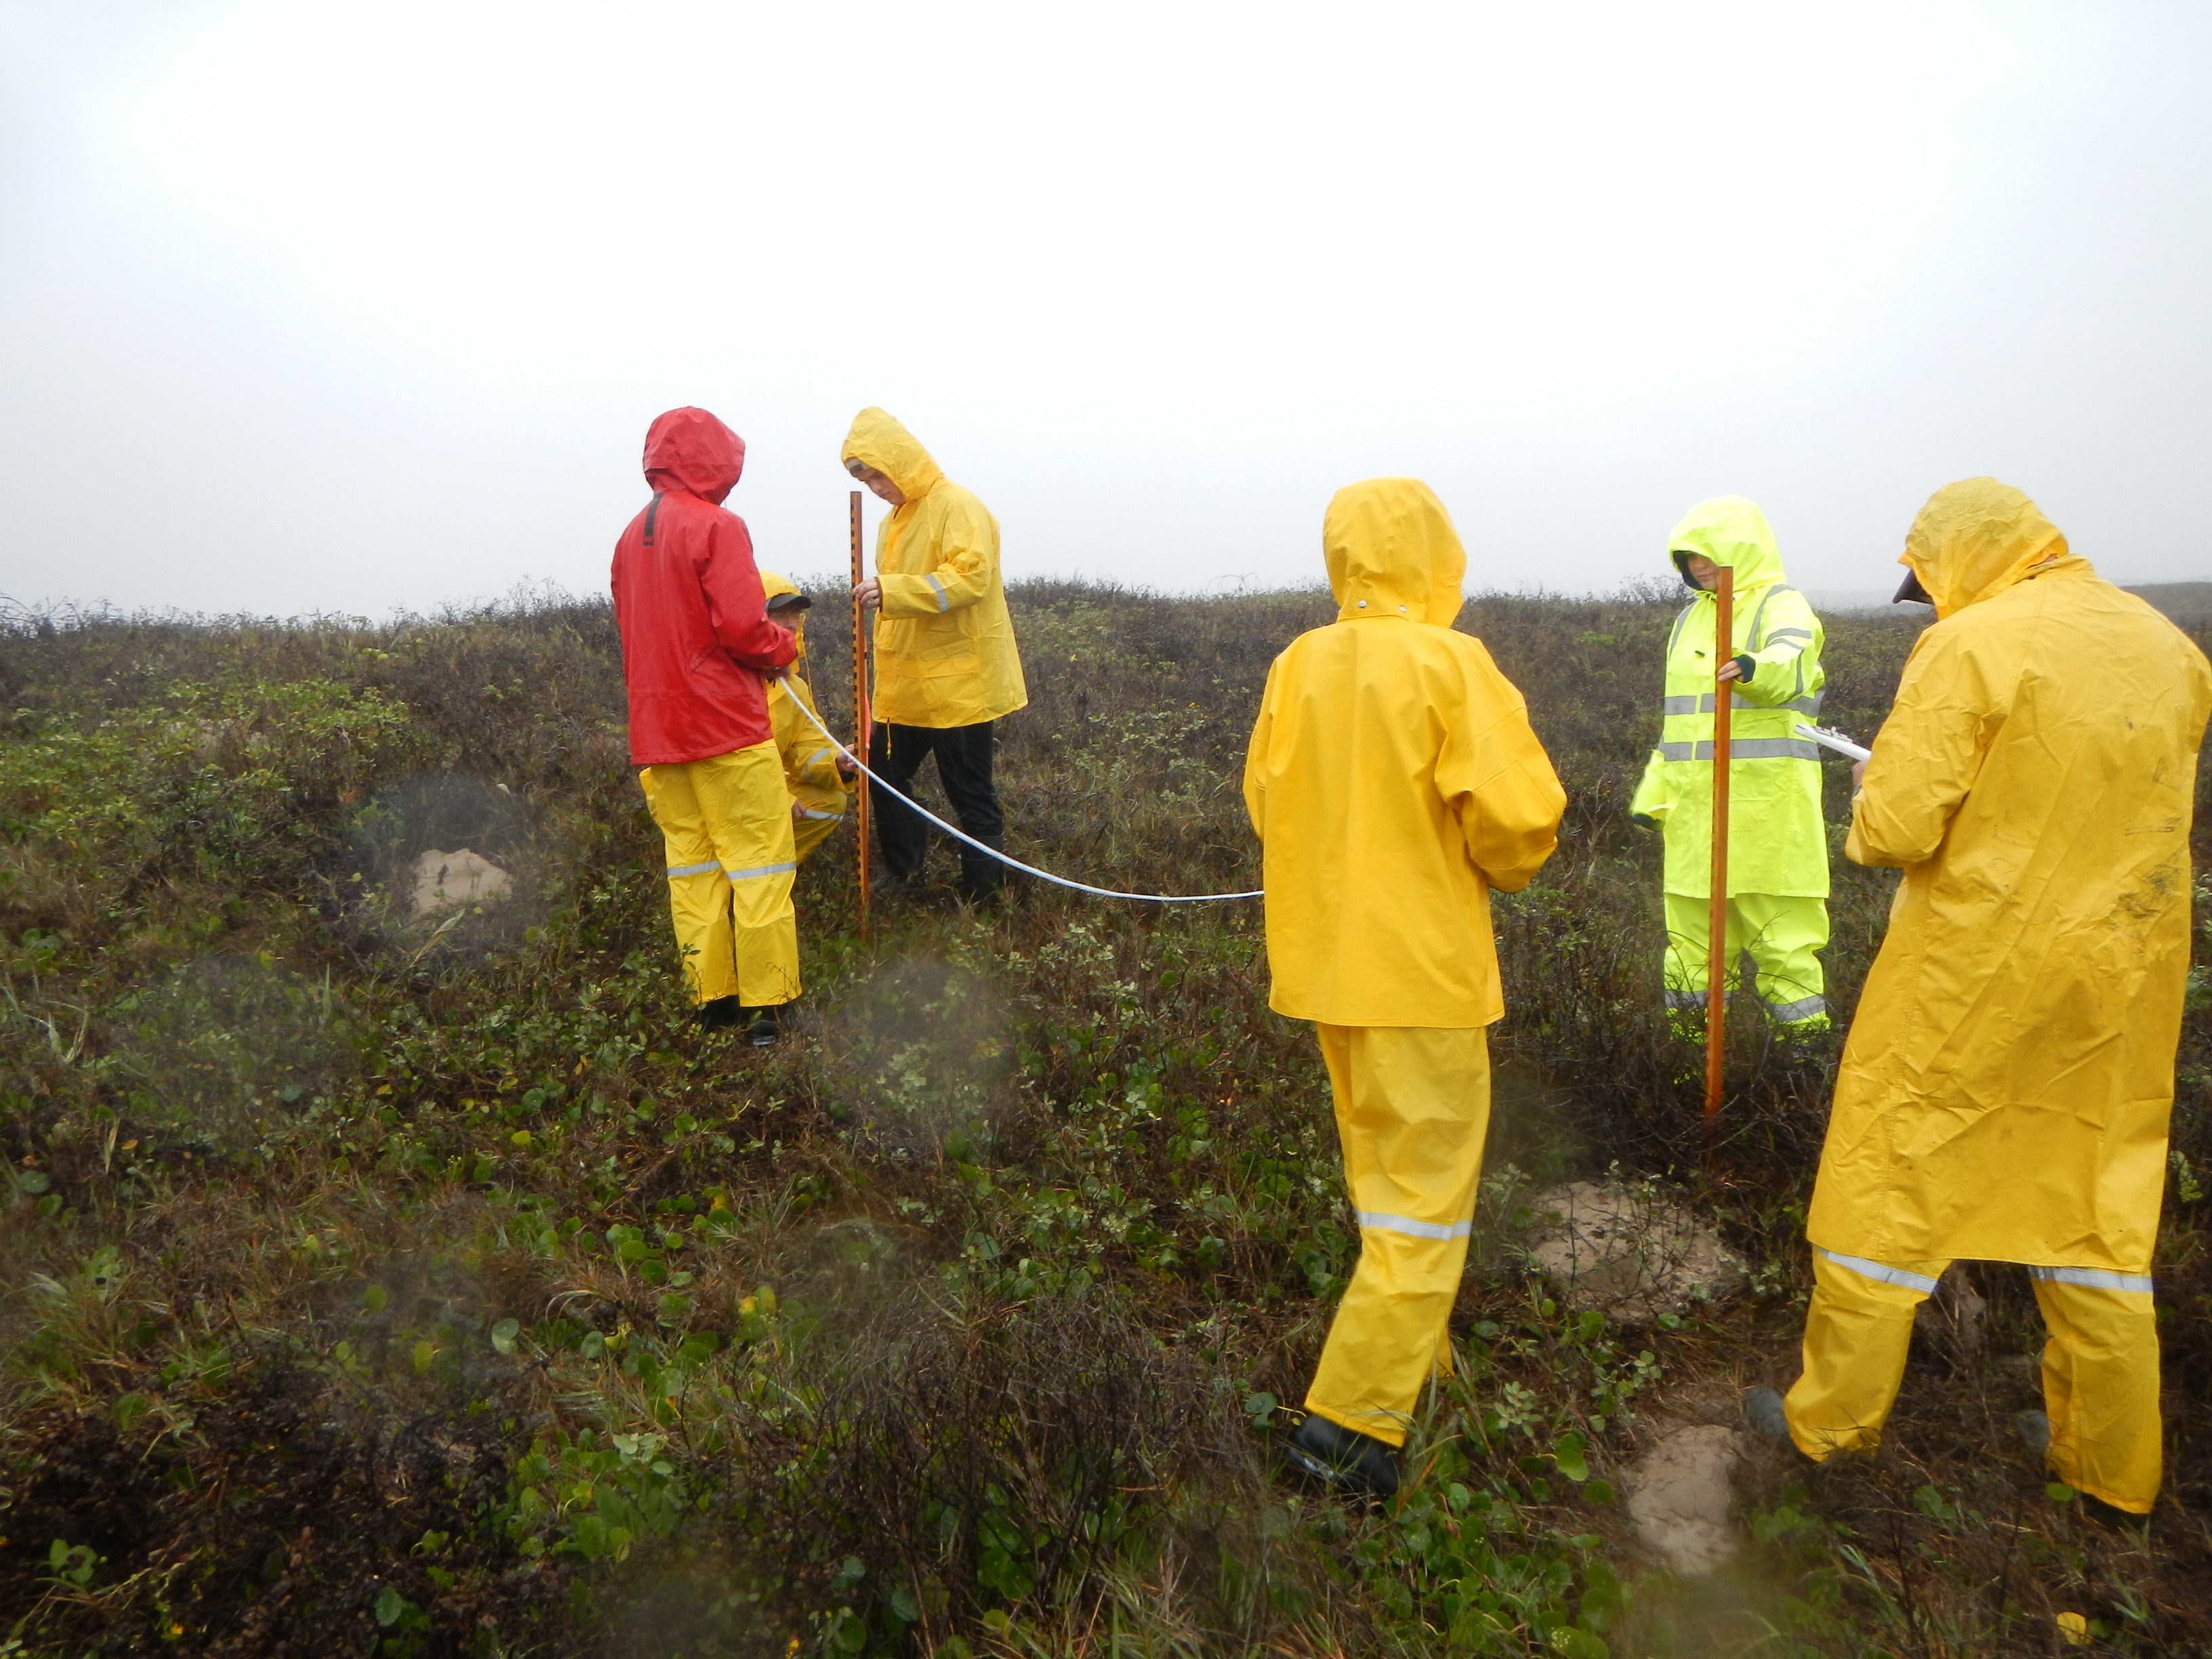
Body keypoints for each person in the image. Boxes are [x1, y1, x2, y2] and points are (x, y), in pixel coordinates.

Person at [1744, 478, 2212, 1521]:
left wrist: (1870, 799)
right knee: (2096, 1213)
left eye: (1926, 582)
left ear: (1953, 558)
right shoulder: (2171, 647)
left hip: (1974, 975)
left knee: (1885, 1189)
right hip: (2122, 983)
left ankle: (1829, 1432)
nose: (1926, 602)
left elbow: (1899, 831)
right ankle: (2109, 1472)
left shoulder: (1972, 645)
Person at [1244, 478, 1565, 1498]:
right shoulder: (1451, 663)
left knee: (1384, 1184)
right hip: (1422, 977)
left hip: (1325, 971)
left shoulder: (1297, 663)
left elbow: (1265, 799)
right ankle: (1347, 1432)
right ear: (1436, 552)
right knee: (1425, 1208)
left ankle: (1416, 1356)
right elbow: (1517, 826)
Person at [610, 407, 802, 1048]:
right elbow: (746, 629)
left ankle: (710, 1002)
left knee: (691, 874)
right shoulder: (719, 526)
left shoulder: (626, 539)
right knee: (759, 869)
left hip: (658, 739)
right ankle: (769, 1010)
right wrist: (783, 650)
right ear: (715, 460)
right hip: (726, 731)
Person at [1628, 497, 1830, 1033]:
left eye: (1708, 553)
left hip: (1770, 823)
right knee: (1691, 957)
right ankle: (1685, 1074)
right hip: (1695, 824)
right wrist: (1653, 796)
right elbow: (1679, 726)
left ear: (1742, 550)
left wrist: (1753, 667)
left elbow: (1793, 665)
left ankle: (1800, 1076)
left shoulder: (1781, 604)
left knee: (1786, 953)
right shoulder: (1688, 622)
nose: (1698, 565)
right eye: (1689, 556)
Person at [842, 408, 1027, 901]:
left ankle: (983, 901)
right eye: (867, 479)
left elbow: (969, 579)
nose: (877, 486)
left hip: (960, 685)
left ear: (900, 461)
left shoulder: (957, 505)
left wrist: (893, 591)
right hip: (905, 687)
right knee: (885, 775)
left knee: (970, 795)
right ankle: (903, 873)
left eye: (879, 474)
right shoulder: (892, 523)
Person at [758, 573, 853, 861]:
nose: (790, 623)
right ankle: (744, 879)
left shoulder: (794, 688)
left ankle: (766, 873)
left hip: (756, 787)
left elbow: (806, 746)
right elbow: (720, 765)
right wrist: (776, 801)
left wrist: (837, 762)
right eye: (779, 614)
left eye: (795, 614)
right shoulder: (724, 680)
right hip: (713, 794)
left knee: (830, 802)